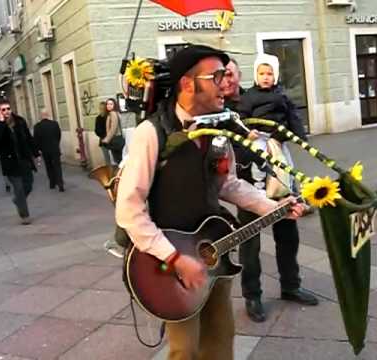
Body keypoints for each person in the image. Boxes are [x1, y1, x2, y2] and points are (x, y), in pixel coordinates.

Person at [115, 44, 307, 360]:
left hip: (213, 245)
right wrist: (175, 258)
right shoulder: (152, 133)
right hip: (169, 262)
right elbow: (129, 208)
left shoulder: (218, 128)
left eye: (227, 73)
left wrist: (273, 207)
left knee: (220, 344)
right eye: (217, 75)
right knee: (185, 350)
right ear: (188, 84)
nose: (227, 81)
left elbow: (227, 184)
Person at [223, 55, 318, 323]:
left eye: (232, 74)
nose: (228, 80)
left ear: (240, 75)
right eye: (223, 75)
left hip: (278, 176)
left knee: (288, 233)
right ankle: (252, 295)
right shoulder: (220, 106)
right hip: (246, 183)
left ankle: (291, 285)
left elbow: (291, 121)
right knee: (249, 241)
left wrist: (285, 134)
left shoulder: (258, 97)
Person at [0, 100, 40, 224]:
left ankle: (18, 200)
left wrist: (36, 153)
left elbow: (28, 138)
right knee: (19, 188)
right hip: (10, 162)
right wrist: (1, 123)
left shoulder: (20, 121)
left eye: (8, 108)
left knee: (29, 184)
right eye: (3, 109)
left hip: (24, 159)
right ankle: (25, 215)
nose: (6, 111)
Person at [33, 109, 64, 192]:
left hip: (45, 150)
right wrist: (56, 144)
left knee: (49, 166)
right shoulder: (54, 124)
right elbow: (58, 135)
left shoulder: (37, 126)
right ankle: (60, 184)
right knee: (57, 166)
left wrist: (38, 150)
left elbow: (36, 140)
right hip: (55, 149)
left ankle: (52, 183)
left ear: (41, 115)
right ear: (48, 115)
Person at [102, 98, 123, 164]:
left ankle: (121, 174)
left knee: (118, 160)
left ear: (114, 105)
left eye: (111, 104)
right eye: (107, 104)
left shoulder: (112, 113)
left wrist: (106, 139)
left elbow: (113, 128)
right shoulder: (115, 113)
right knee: (119, 159)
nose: (109, 105)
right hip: (117, 139)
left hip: (115, 139)